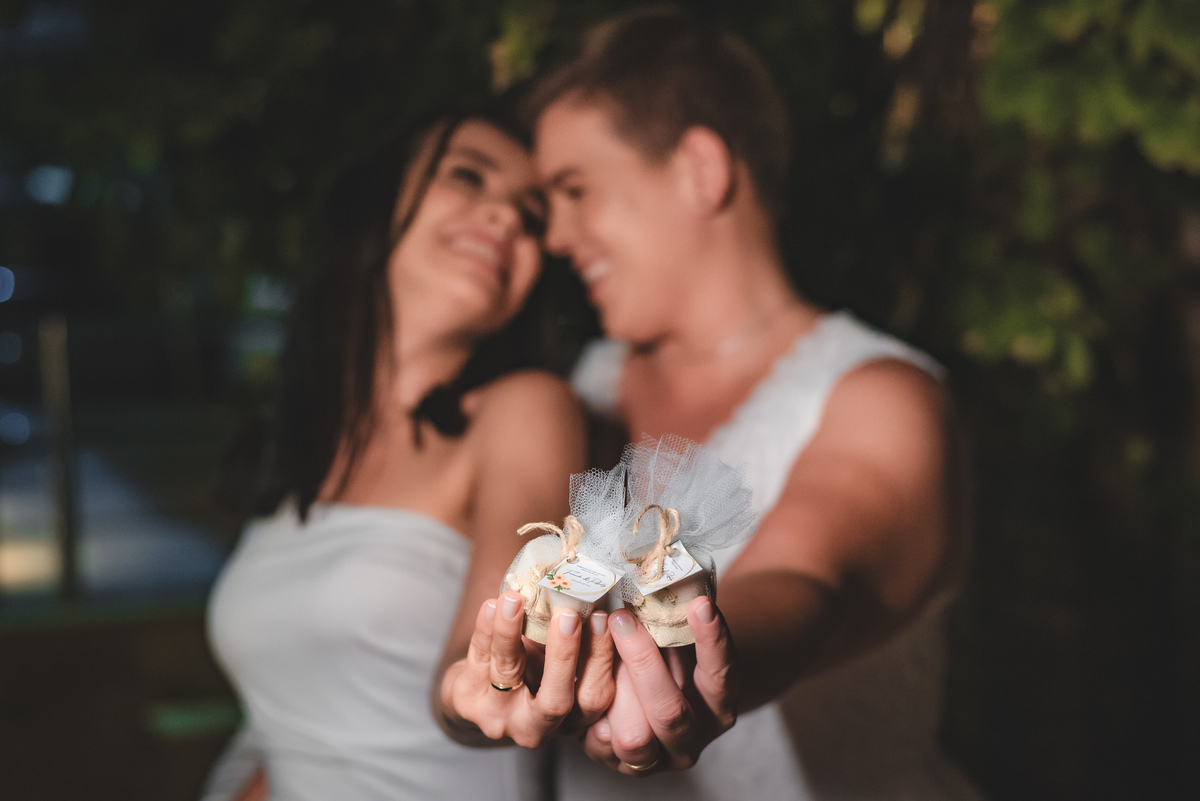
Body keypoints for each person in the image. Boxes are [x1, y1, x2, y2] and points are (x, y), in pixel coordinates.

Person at [516, 7, 984, 799]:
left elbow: (804, 580)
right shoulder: (573, 391)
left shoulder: (880, 397)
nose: (554, 236)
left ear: (700, 167)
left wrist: (686, 662)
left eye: (576, 190)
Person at [201, 109, 607, 801]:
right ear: (378, 205)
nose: (505, 218)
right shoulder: (300, 448)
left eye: (530, 215)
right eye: (467, 176)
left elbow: (494, 647)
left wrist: (484, 681)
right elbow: (289, 730)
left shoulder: (524, 410)